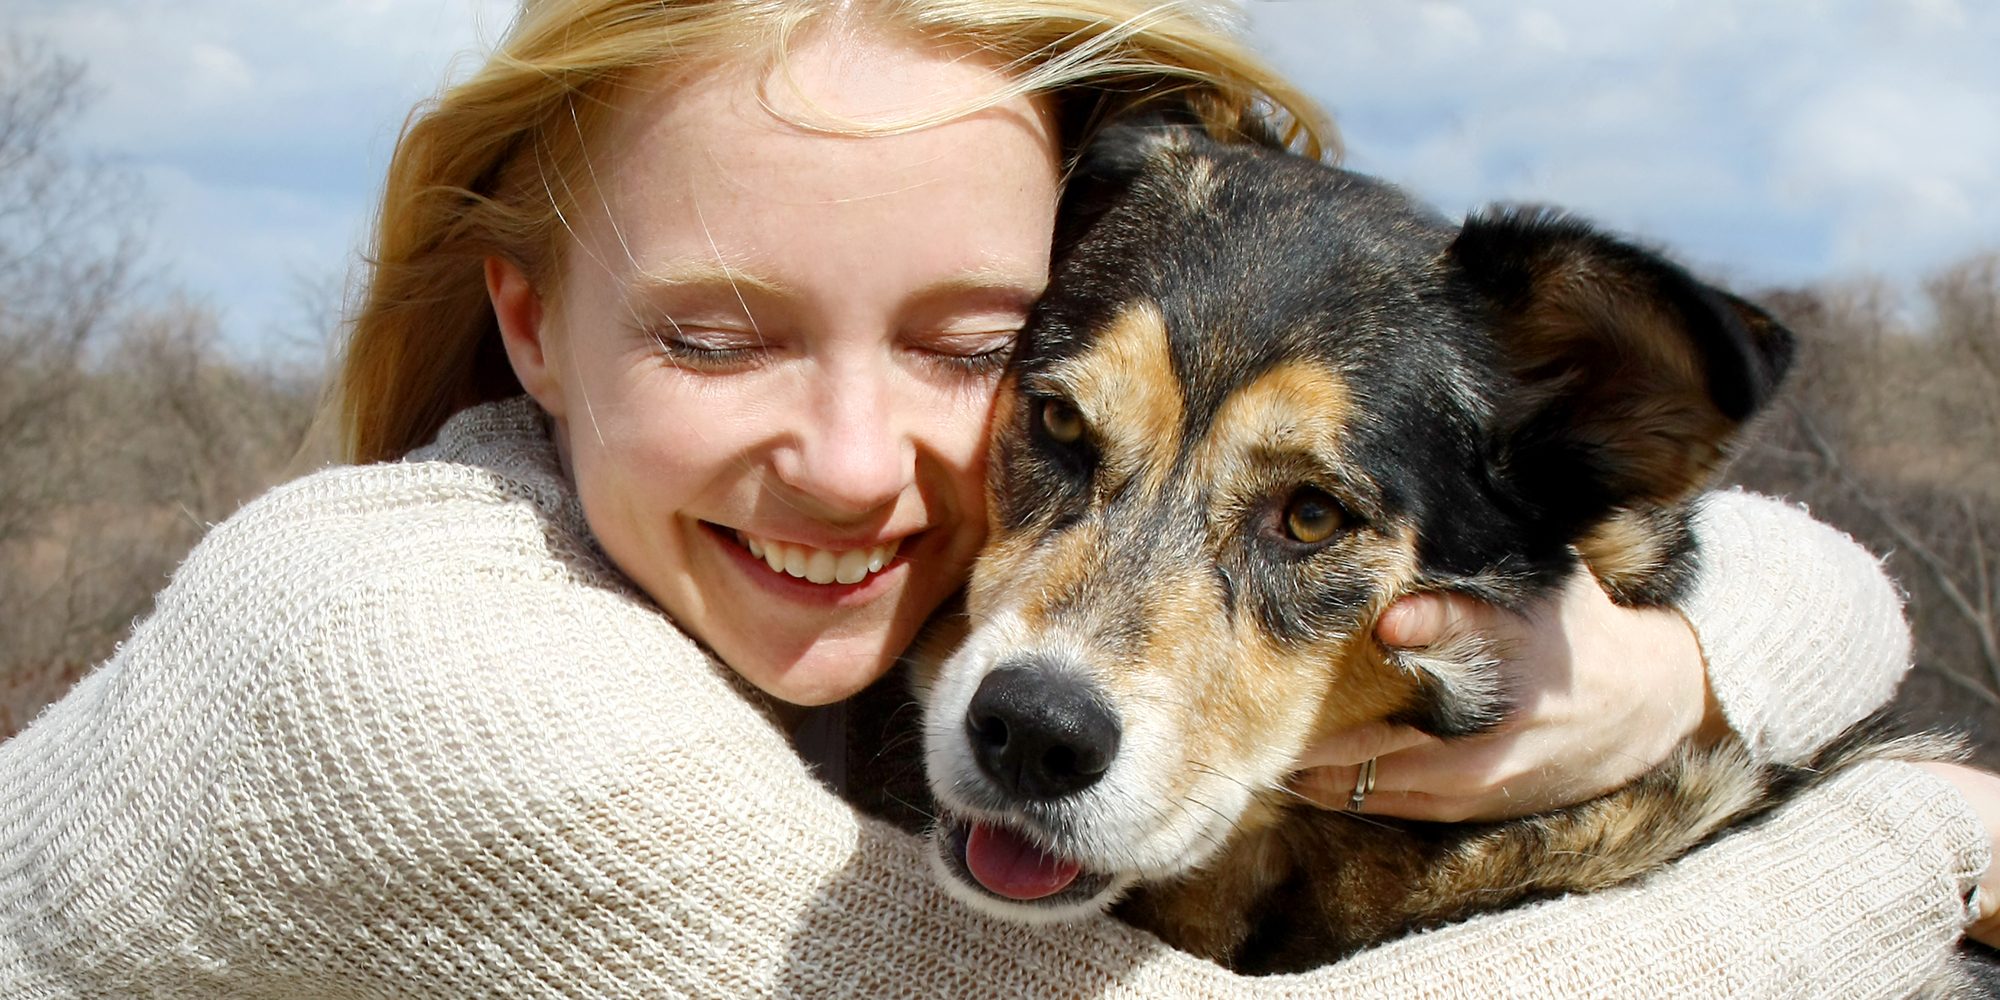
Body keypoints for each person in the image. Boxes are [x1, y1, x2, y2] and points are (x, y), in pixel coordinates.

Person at [0, 0, 1993, 995]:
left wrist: (1684, 666)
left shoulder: (774, 591)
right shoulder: (425, 672)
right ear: (524, 324)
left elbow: (1750, 540)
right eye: (716, 336)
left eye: (965, 351)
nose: (862, 464)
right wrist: (1912, 836)